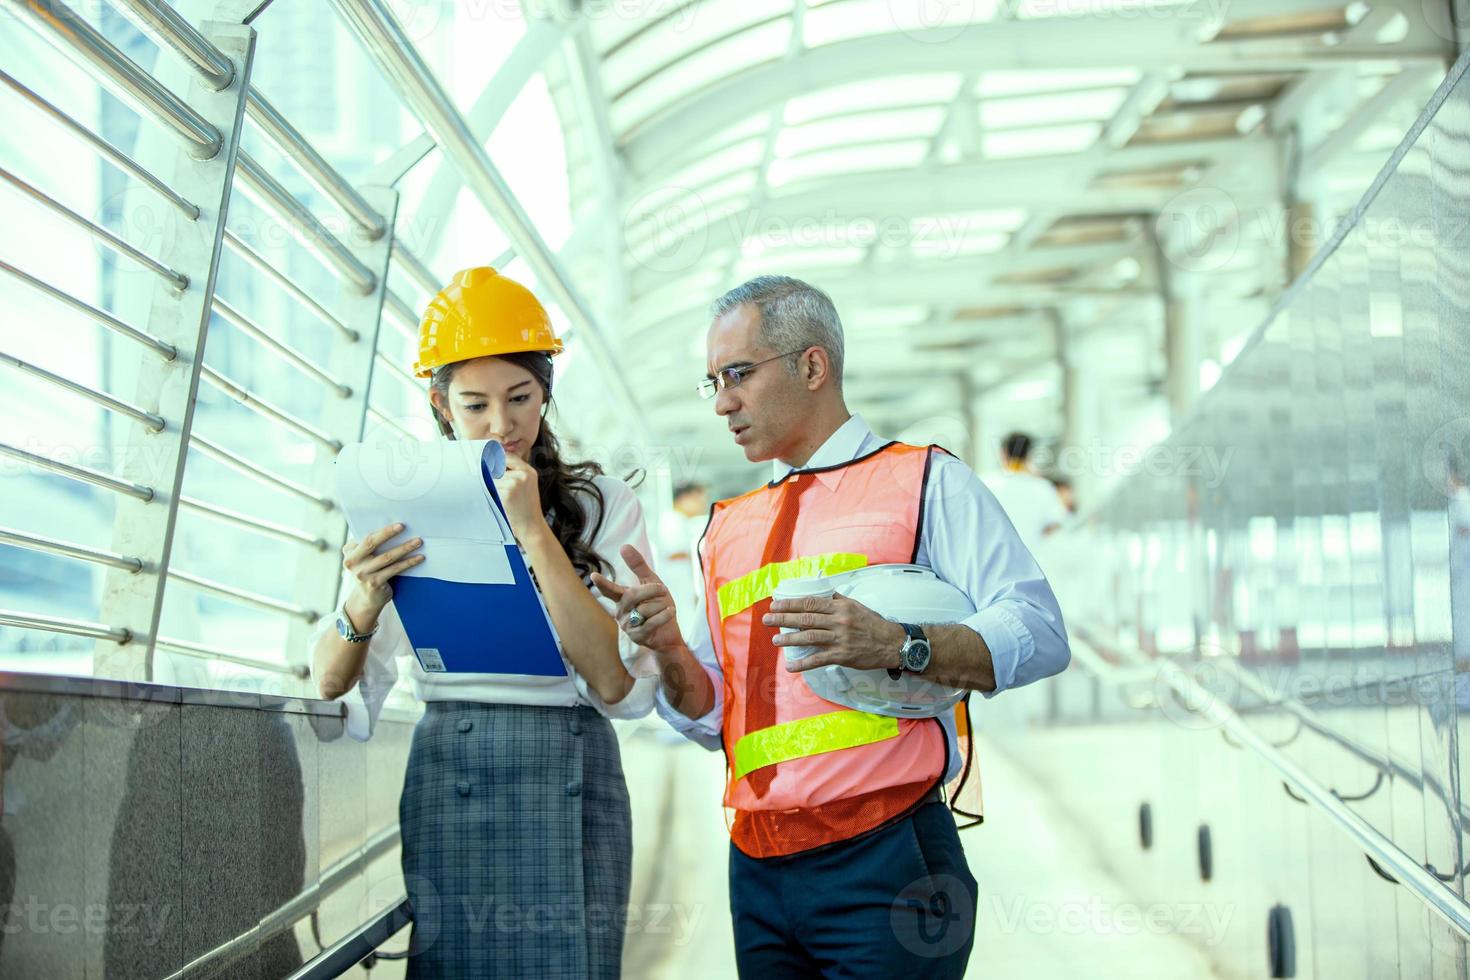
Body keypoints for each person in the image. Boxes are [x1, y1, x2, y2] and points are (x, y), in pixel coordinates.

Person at [592, 275, 1070, 978]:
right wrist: (667, 650)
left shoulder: (924, 481)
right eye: (712, 382)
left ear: (812, 366)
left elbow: (1040, 630)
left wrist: (901, 645)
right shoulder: (727, 529)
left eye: (738, 374)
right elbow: (710, 713)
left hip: (887, 859)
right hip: (757, 868)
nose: (723, 401)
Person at [310, 267, 656, 979]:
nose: (502, 425)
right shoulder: (407, 504)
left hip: (574, 769)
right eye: (475, 405)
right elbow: (329, 682)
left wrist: (535, 535)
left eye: (521, 398)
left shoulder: (601, 504)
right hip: (453, 771)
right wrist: (367, 600)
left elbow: (615, 685)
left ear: (546, 392)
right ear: (440, 406)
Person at [985, 431, 1069, 553]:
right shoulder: (1043, 489)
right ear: (1030, 455)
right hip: (1033, 563)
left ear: (1003, 454)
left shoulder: (986, 484)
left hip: (993, 563)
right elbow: (1055, 525)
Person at [658, 481, 710, 637]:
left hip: (684, 589)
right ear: (686, 497)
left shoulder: (681, 521)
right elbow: (675, 553)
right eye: (698, 498)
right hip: (677, 588)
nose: (702, 504)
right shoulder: (671, 521)